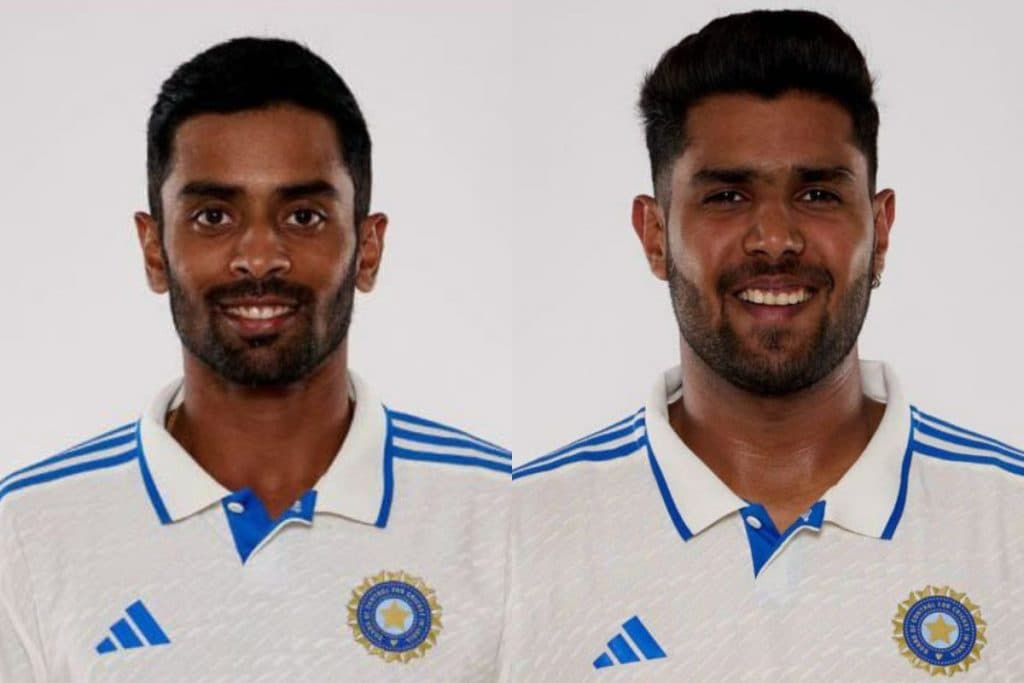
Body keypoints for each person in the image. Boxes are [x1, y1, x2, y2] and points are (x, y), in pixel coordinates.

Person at [503, 9, 1024, 681]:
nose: (775, 239)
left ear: (881, 228)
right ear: (655, 235)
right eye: (727, 196)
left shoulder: (1009, 524)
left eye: (818, 193)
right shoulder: (519, 538)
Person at [0, 38, 510, 682]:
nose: (261, 256)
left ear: (368, 249)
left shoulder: (500, 516)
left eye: (304, 216)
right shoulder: (27, 534)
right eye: (214, 216)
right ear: (155, 250)